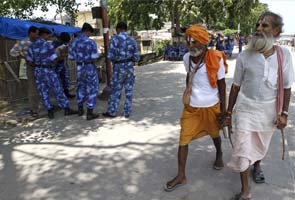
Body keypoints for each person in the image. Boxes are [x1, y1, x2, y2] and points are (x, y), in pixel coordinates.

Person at [226, 11, 294, 200]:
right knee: (242, 149)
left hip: (269, 111)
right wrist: (228, 112)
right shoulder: (244, 56)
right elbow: (236, 86)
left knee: (259, 145)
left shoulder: (284, 55)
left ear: (277, 31)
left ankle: (257, 166)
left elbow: (287, 86)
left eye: (265, 26)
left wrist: (284, 113)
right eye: (258, 25)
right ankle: (245, 191)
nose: (258, 29)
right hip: (246, 109)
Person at [164, 24, 228, 192]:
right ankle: (181, 175)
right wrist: (188, 94)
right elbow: (189, 76)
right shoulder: (186, 58)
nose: (191, 45)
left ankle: (219, 154)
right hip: (191, 108)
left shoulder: (216, 58)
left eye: (195, 41)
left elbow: (222, 86)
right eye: (189, 41)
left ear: (204, 42)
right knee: (183, 138)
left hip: (212, 106)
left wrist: (224, 110)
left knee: (215, 135)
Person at [26, 27, 78, 119]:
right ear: (43, 34)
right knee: (57, 89)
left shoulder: (31, 46)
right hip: (48, 70)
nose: (48, 37)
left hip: (38, 71)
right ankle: (66, 108)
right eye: (47, 35)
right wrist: (61, 57)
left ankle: (50, 111)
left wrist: (39, 65)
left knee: (43, 91)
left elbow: (29, 61)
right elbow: (54, 59)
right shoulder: (47, 45)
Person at [103, 22, 140, 118]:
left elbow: (110, 56)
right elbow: (137, 58)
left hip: (118, 68)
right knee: (129, 91)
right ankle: (127, 112)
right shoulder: (132, 40)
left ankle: (112, 111)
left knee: (115, 90)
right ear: (126, 29)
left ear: (118, 29)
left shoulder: (114, 40)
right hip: (129, 68)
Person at [68, 23, 100, 120]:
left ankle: (80, 110)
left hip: (79, 69)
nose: (90, 35)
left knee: (80, 88)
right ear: (87, 31)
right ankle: (90, 113)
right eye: (90, 33)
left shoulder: (73, 42)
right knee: (92, 89)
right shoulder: (91, 42)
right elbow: (94, 58)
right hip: (89, 67)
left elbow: (71, 57)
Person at [10, 26, 40, 117]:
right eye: (36, 33)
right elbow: (12, 52)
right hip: (31, 67)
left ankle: (42, 105)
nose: (37, 35)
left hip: (40, 67)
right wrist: (24, 58)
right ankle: (34, 109)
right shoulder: (23, 42)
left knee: (41, 87)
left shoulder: (38, 42)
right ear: (31, 33)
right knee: (32, 88)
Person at [52, 32, 75, 98]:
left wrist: (65, 55)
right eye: (65, 42)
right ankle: (59, 95)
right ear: (61, 40)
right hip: (55, 64)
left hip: (62, 63)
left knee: (65, 78)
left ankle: (66, 93)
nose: (66, 43)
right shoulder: (55, 44)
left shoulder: (65, 44)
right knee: (57, 80)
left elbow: (67, 52)